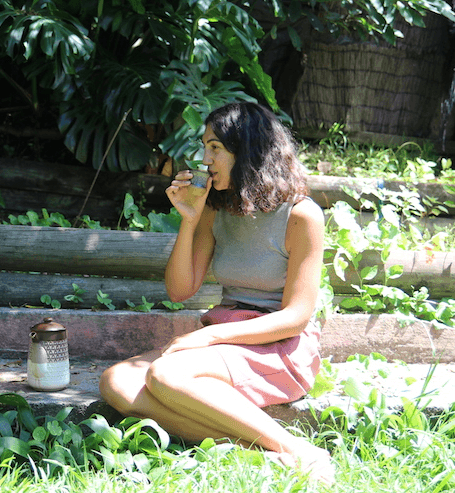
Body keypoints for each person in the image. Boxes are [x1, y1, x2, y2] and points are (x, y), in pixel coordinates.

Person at [99, 102, 335, 484]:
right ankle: (259, 456)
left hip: (279, 345)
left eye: (215, 148)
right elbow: (180, 290)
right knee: (117, 381)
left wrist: (209, 335)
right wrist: (189, 221)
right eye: (205, 147)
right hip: (226, 337)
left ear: (248, 152)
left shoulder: (301, 215)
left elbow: (297, 316)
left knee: (166, 376)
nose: (205, 159)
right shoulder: (217, 208)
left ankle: (301, 452)